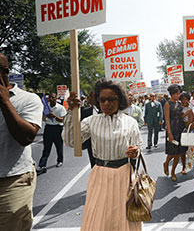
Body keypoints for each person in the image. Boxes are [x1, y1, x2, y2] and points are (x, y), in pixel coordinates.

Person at [63, 79, 142, 231]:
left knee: (123, 218)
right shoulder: (91, 121)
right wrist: (71, 113)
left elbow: (138, 146)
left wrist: (135, 151)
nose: (106, 103)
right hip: (100, 174)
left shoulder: (130, 122)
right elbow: (71, 141)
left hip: (124, 175)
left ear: (120, 100)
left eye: (111, 99)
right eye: (102, 99)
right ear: (97, 100)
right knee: (98, 218)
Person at [0, 53, 43, 231]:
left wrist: (4, 101)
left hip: (13, 181)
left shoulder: (28, 99)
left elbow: (26, 137)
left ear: (4, 73)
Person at [37, 93, 66, 174]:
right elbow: (43, 119)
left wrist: (54, 116)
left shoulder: (60, 108)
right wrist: (46, 116)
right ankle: (42, 165)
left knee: (58, 146)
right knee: (46, 148)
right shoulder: (46, 107)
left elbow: (62, 120)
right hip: (48, 128)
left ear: (56, 98)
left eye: (53, 97)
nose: (51, 99)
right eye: (50, 97)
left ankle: (60, 160)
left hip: (58, 128)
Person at [163, 84, 186, 181]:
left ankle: (173, 171)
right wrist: (169, 133)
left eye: (179, 93)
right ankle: (166, 163)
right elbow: (167, 120)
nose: (179, 95)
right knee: (172, 152)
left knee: (179, 152)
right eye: (177, 93)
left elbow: (182, 116)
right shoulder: (167, 104)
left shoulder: (180, 104)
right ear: (172, 94)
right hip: (172, 129)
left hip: (180, 129)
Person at [81, 91, 100, 168]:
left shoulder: (107, 110)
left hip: (105, 144)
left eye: (91, 96)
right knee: (94, 166)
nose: (88, 98)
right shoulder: (86, 111)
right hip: (91, 144)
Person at [179, 91, 192, 175]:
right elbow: (182, 117)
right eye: (183, 99)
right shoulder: (179, 108)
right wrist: (188, 112)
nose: (184, 101)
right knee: (183, 150)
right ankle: (184, 166)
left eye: (186, 99)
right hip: (182, 128)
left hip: (191, 127)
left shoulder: (192, 106)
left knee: (192, 149)